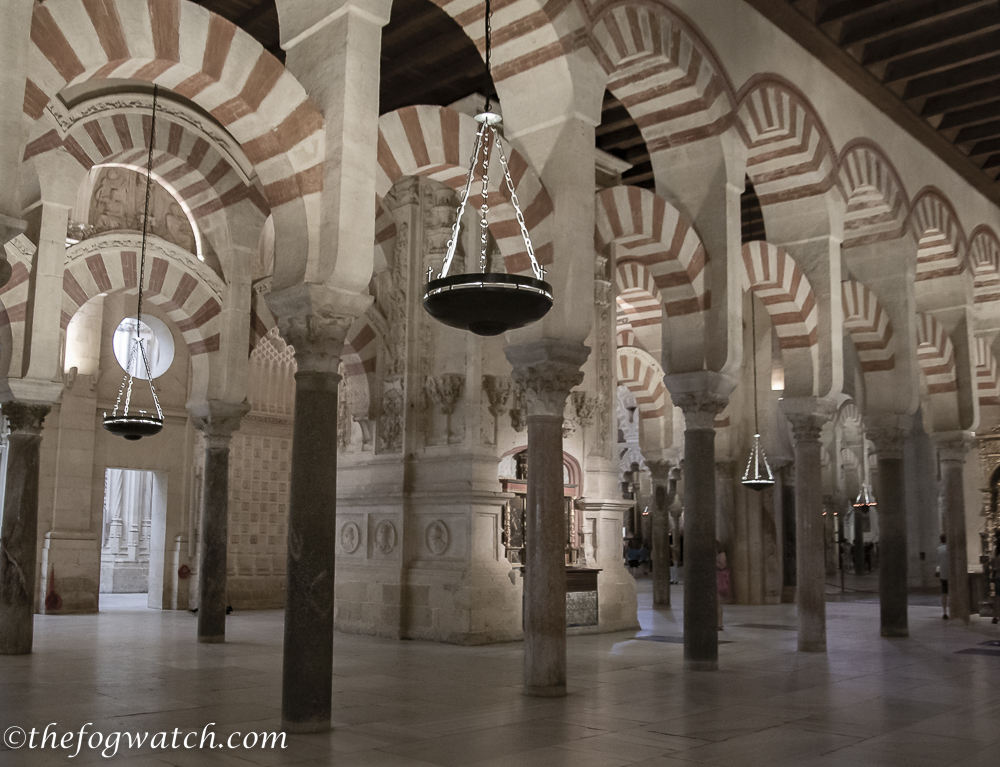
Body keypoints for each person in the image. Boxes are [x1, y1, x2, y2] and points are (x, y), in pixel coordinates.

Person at [716, 540, 730, 630]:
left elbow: (722, 566)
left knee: (718, 603)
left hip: (719, 579)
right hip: (713, 578)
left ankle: (719, 624)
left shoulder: (722, 555)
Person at [937, 533, 949, 620]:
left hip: (943, 573)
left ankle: (944, 612)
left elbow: (939, 562)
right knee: (951, 593)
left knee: (944, 594)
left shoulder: (939, 549)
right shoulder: (950, 548)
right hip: (951, 573)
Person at [991, 544, 1000, 626]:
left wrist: (992, 577)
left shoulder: (995, 552)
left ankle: (996, 616)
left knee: (997, 597)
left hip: (997, 577)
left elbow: (994, 567)